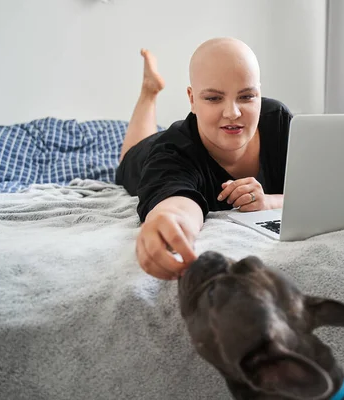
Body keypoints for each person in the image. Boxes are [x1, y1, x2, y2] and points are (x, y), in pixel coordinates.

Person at [116, 37, 293, 281]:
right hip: (145, 153)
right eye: (213, 98)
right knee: (129, 153)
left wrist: (268, 202)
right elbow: (176, 205)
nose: (233, 113)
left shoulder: (280, 121)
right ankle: (149, 91)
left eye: (246, 96)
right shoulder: (172, 152)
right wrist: (168, 222)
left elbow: (320, 191)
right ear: (192, 99)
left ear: (259, 94)